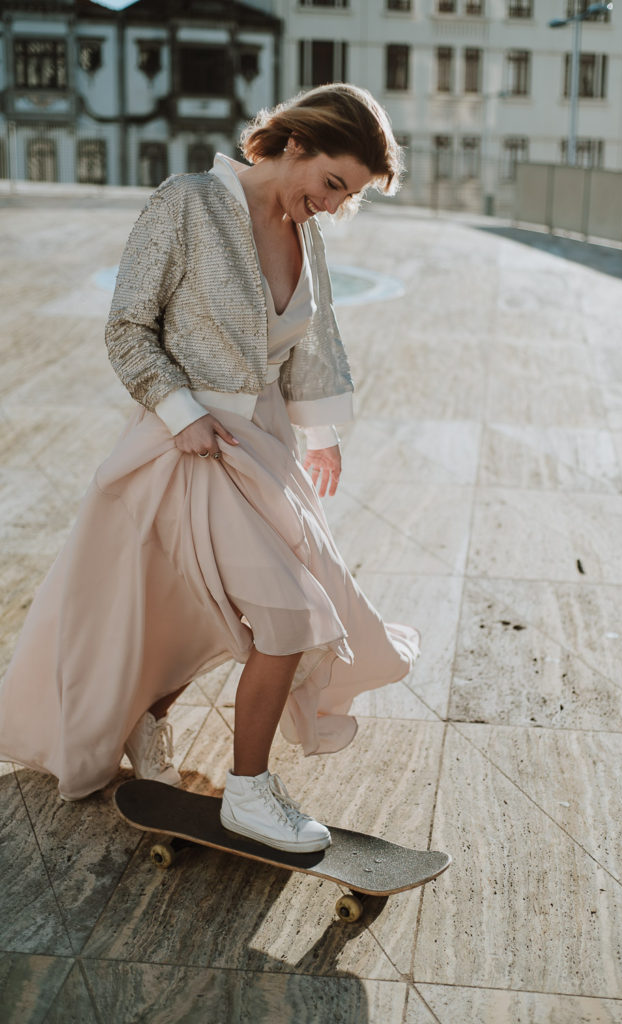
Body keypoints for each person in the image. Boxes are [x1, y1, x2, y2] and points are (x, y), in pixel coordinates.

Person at [0, 84, 419, 853]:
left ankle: (149, 724)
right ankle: (248, 795)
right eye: (332, 182)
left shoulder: (305, 230)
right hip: (188, 444)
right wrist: (182, 415)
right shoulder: (187, 202)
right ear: (293, 142)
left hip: (261, 445)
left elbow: (306, 337)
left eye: (349, 196)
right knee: (290, 615)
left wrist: (317, 431)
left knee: (203, 606)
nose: (331, 204)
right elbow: (128, 326)